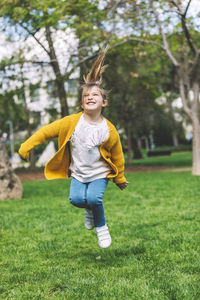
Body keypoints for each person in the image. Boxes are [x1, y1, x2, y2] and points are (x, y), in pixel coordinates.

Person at [18, 47, 128, 249]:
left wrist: (119, 178)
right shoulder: (71, 122)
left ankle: (101, 227)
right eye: (86, 95)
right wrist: (27, 146)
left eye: (95, 94)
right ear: (81, 102)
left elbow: (118, 156)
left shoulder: (109, 130)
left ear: (104, 102)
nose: (90, 97)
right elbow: (46, 132)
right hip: (78, 173)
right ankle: (89, 211)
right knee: (77, 199)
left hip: (99, 173)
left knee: (94, 198)